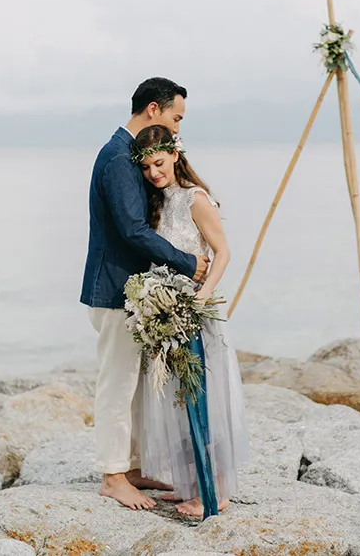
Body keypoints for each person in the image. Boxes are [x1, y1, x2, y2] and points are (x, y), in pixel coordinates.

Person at [80, 77, 211, 511]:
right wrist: (187, 262)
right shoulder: (118, 157)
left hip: (130, 289)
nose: (177, 130)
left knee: (133, 384)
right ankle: (112, 476)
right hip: (114, 287)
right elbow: (132, 229)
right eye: (176, 118)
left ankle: (130, 465)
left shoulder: (130, 152)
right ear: (153, 110)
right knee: (116, 383)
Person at [131, 124, 250, 518]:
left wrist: (200, 299)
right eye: (146, 167)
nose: (154, 173)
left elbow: (223, 252)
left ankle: (214, 492)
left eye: (159, 163)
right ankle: (192, 484)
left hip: (196, 315)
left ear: (176, 156)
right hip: (167, 317)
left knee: (202, 400)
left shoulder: (195, 199)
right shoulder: (159, 203)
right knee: (177, 403)